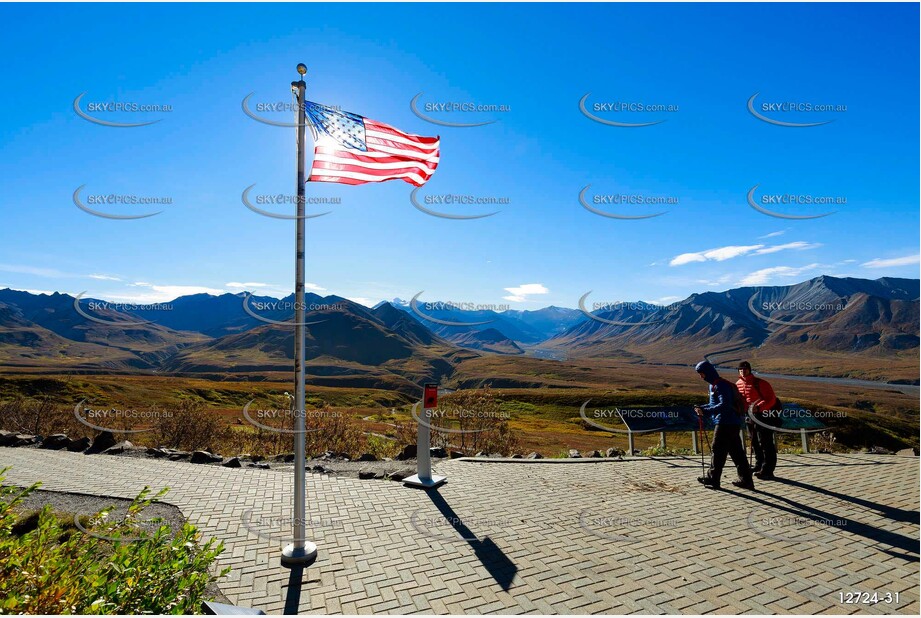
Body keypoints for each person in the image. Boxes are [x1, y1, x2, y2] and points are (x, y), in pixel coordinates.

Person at [693, 360, 754, 490]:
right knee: (737, 452)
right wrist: (703, 407)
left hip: (725, 422)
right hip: (732, 422)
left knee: (718, 450)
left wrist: (705, 411)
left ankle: (713, 479)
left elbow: (724, 405)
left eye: (701, 373)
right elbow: (714, 404)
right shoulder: (715, 385)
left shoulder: (720, 385)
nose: (701, 376)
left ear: (707, 372)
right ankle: (746, 480)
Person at [736, 361, 780, 480]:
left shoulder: (760, 383)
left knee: (765, 442)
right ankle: (758, 465)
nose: (743, 371)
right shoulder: (738, 384)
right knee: (754, 442)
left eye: (745, 369)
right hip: (749, 416)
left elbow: (771, 399)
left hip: (763, 416)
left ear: (749, 370)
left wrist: (759, 407)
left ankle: (767, 470)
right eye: (740, 370)